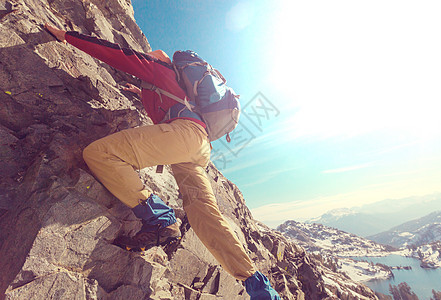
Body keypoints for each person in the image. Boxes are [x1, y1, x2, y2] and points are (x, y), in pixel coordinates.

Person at [44, 23, 280, 299]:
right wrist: (138, 90)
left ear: (161, 59)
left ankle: (160, 217)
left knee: (100, 154)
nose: (147, 57)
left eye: (151, 56)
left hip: (183, 136)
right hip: (199, 147)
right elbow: (170, 103)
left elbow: (116, 53)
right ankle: (259, 287)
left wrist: (68, 36)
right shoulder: (173, 89)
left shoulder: (161, 68)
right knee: (205, 215)